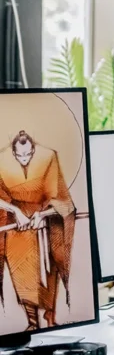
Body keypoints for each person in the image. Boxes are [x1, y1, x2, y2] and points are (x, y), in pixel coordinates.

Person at [0, 131, 77, 330]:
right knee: (22, 275)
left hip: (44, 220)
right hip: (16, 225)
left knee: (49, 273)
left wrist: (42, 215)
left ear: (33, 149)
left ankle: (51, 319)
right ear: (13, 152)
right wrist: (15, 211)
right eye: (20, 156)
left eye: (28, 154)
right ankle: (32, 323)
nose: (24, 159)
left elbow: (60, 196)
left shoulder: (48, 156)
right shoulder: (1, 159)